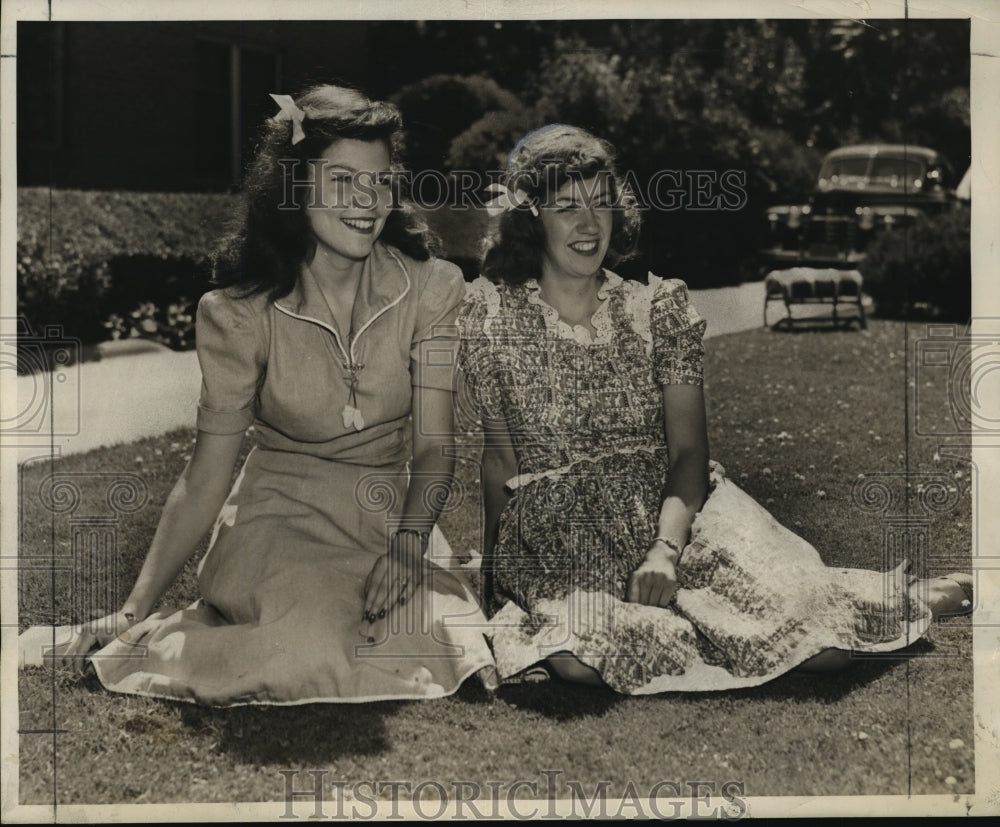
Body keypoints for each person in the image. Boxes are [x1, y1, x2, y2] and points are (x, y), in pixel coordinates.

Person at [456, 124, 974, 693]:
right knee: (583, 658)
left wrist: (664, 548)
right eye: (565, 208)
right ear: (531, 220)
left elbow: (689, 453)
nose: (589, 224)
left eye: (602, 203)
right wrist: (497, 578)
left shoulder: (658, 309)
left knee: (818, 645)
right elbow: (500, 464)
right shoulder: (489, 319)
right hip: (564, 532)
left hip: (675, 514)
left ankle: (908, 596)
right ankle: (690, 624)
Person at [29, 85, 495, 705]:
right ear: (296, 187)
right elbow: (204, 477)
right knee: (313, 644)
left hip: (386, 517)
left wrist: (409, 547)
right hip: (279, 516)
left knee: (445, 634)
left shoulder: (433, 291)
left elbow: (436, 447)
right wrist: (133, 607)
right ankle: (158, 638)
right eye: (342, 180)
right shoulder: (239, 314)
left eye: (379, 182)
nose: (366, 203)